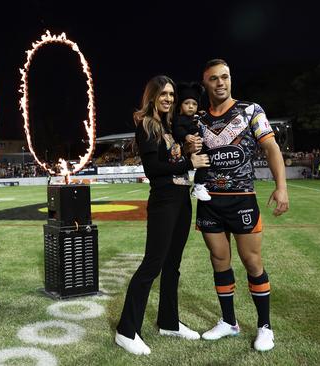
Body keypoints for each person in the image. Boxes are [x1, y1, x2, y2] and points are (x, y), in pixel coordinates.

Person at [195, 59, 289, 352]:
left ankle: (265, 327)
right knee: (219, 261)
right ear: (206, 84)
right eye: (214, 78)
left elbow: (271, 147)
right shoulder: (198, 119)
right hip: (209, 202)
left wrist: (281, 187)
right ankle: (228, 322)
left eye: (225, 77)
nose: (220, 82)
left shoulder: (251, 110)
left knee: (252, 262)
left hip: (242, 200)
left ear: (231, 79)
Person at [115, 75, 210, 355]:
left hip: (181, 199)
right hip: (164, 200)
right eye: (163, 94)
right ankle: (126, 330)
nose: (169, 98)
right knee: (152, 265)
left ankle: (169, 322)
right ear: (153, 96)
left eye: (171, 94)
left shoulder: (170, 126)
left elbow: (173, 158)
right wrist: (187, 161)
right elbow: (153, 169)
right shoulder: (147, 125)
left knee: (172, 265)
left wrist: (187, 151)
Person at [173, 82, 211, 201]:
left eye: (194, 104)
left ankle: (201, 185)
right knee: (203, 163)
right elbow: (177, 130)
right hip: (189, 148)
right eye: (187, 103)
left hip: (200, 145)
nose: (190, 106)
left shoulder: (196, 117)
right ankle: (198, 186)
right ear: (180, 105)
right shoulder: (178, 119)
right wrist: (186, 136)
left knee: (206, 164)